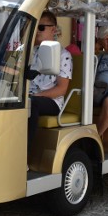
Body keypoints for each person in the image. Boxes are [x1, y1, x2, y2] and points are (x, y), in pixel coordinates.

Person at [28, 11, 73, 146]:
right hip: (29, 96)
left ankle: (24, 156)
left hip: (51, 101)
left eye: (41, 27)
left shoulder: (63, 55)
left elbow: (61, 89)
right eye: (35, 27)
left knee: (31, 104)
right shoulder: (31, 51)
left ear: (53, 29)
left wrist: (36, 95)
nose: (37, 31)